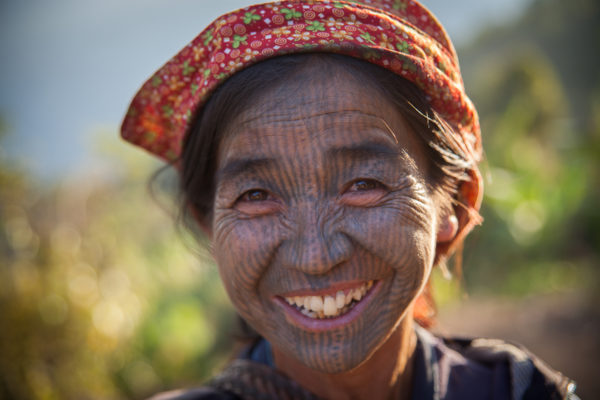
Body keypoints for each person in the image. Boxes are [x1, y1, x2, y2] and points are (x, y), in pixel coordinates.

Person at [121, 1, 579, 399]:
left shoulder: (517, 390)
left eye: (363, 184)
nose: (316, 257)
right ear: (209, 226)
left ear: (453, 204)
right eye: (256, 195)